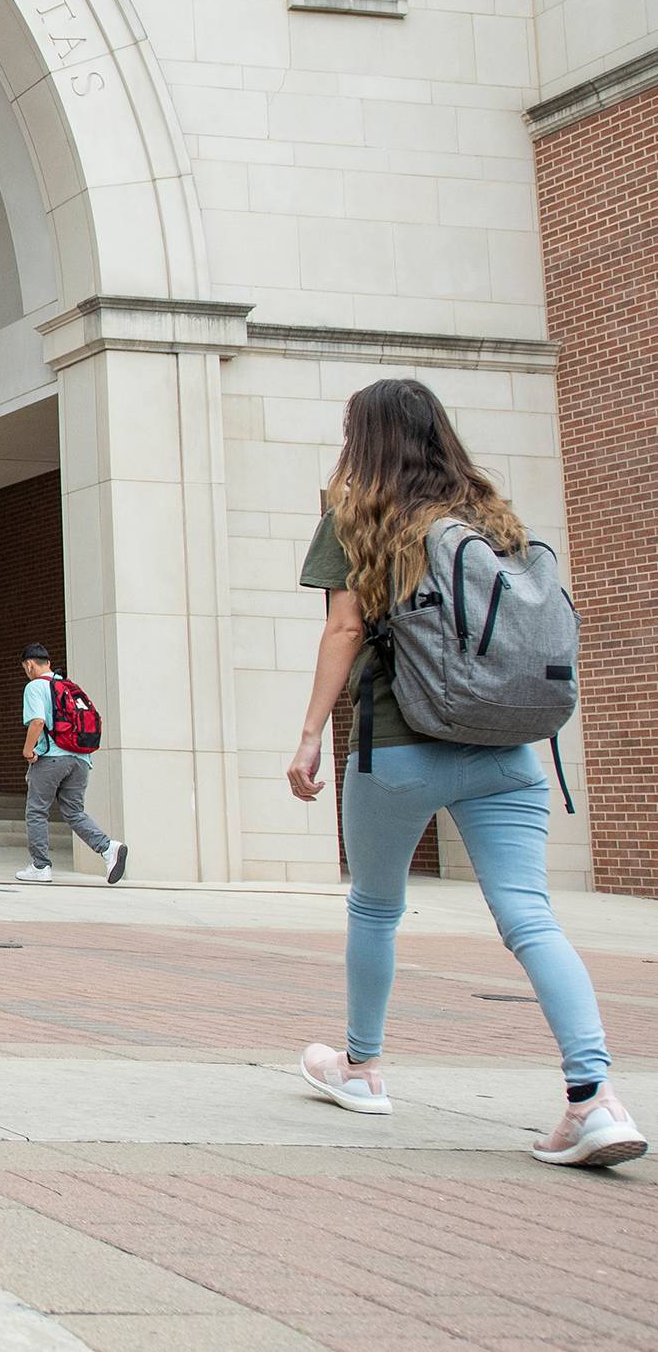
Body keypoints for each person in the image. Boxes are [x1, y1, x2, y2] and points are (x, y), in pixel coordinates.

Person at [287, 379, 642, 1168]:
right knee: (530, 918)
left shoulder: (355, 517)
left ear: (364, 438)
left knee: (375, 907)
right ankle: (594, 1098)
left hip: (400, 747)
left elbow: (344, 628)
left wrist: (310, 734)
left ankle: (361, 1067)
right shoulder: (492, 518)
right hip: (508, 751)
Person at [15, 645, 128, 885]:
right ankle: (109, 848)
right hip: (81, 759)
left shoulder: (35, 687)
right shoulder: (68, 686)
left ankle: (40, 866)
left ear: (29, 665)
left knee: (37, 810)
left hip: (52, 759)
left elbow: (37, 721)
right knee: (74, 812)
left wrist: (27, 751)